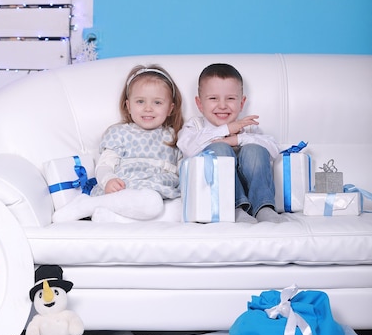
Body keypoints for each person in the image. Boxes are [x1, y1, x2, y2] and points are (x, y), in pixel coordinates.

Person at [53, 64, 183, 223]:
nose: (148, 108)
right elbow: (104, 165)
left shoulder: (175, 136)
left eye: (157, 102)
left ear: (170, 108)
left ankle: (113, 218)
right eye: (140, 101)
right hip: (127, 190)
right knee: (151, 202)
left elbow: (184, 169)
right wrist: (108, 180)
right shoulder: (120, 133)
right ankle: (88, 204)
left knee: (178, 211)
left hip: (164, 193)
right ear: (128, 106)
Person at [177, 63, 284, 223]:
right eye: (213, 98)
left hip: (252, 193)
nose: (222, 105)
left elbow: (274, 150)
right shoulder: (195, 126)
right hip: (218, 198)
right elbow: (188, 149)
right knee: (219, 148)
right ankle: (235, 209)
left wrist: (237, 139)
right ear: (200, 104)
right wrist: (226, 129)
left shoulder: (247, 128)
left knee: (255, 149)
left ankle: (263, 207)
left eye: (231, 99)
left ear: (241, 103)